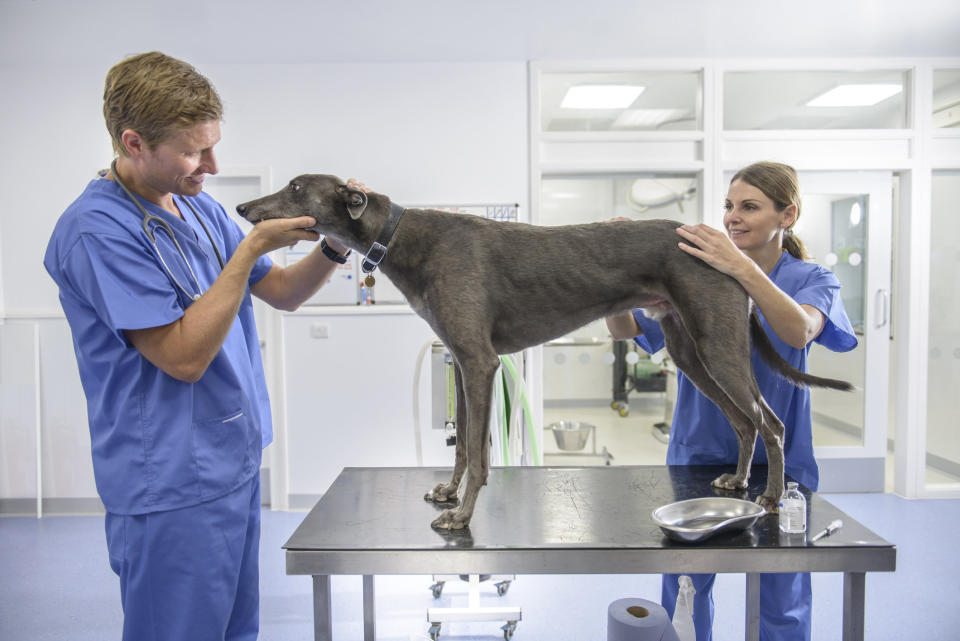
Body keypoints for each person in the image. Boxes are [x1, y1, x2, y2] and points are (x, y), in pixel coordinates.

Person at [43, 52, 354, 641]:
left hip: (230, 463)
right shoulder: (96, 231)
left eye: (213, 145)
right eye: (193, 151)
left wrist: (337, 242)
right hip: (168, 480)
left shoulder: (198, 206)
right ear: (134, 143)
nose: (211, 164)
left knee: (235, 630)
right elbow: (183, 358)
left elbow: (283, 291)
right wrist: (247, 252)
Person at [605, 161, 857, 641]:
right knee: (685, 588)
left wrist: (739, 268)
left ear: (788, 215)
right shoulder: (693, 275)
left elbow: (798, 330)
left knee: (781, 596)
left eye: (749, 207)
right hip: (698, 455)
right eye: (728, 206)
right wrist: (617, 271)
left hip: (779, 466)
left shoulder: (811, 278)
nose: (732, 217)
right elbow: (628, 329)